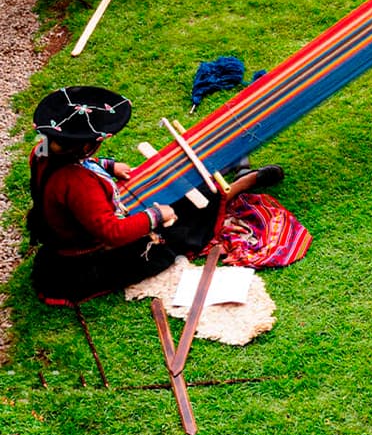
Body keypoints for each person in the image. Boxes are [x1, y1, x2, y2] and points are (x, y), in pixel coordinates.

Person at [27, 86, 282, 305]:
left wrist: (108, 166)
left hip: (68, 234)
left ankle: (228, 170)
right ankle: (242, 183)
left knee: (176, 192)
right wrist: (157, 215)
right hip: (92, 258)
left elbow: (82, 162)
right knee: (189, 213)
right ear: (84, 145)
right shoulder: (79, 184)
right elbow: (112, 233)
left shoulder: (44, 150)